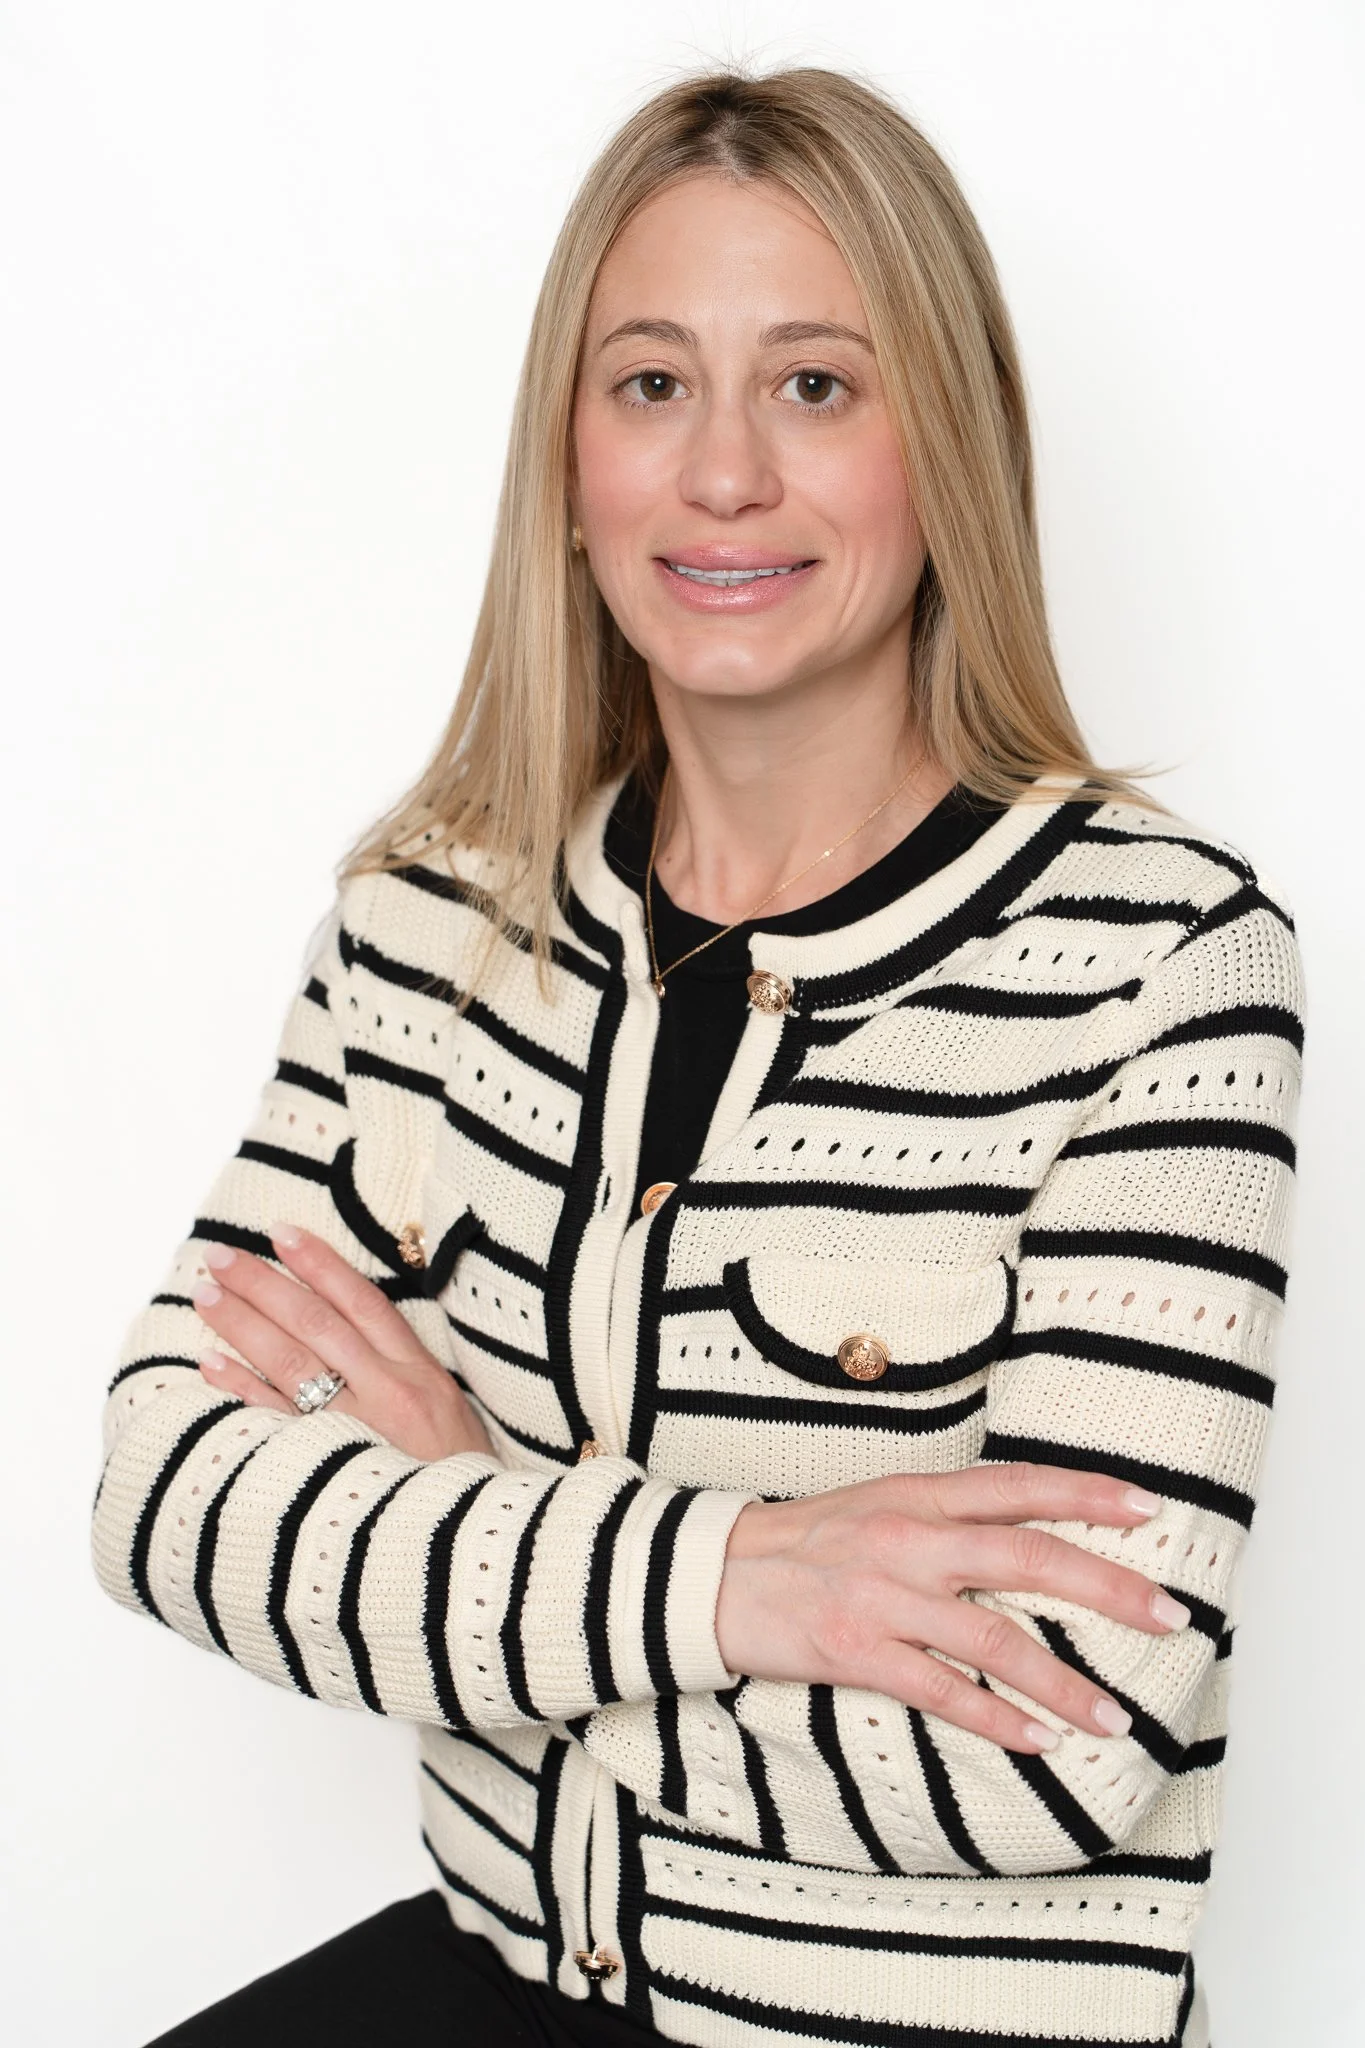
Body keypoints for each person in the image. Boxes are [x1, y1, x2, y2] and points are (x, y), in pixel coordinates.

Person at [92, 64, 1304, 2048]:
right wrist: (726, 1577)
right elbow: (164, 1492)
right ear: (567, 463)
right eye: (650, 384)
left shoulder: (1161, 964)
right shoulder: (426, 921)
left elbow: (1054, 1743)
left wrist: (480, 1534)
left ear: (948, 444)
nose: (722, 473)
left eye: (817, 384)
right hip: (500, 1969)